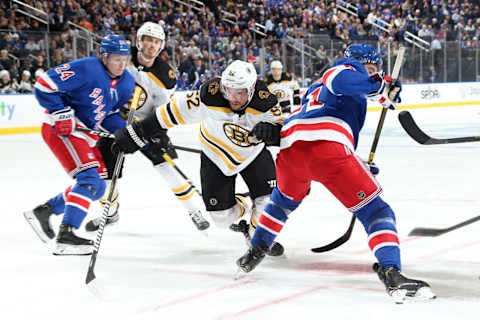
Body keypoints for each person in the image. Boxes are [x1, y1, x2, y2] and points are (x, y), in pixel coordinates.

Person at [235, 44, 436, 303]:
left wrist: (383, 90)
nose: (368, 74)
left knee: (282, 202)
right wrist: (379, 86)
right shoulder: (343, 69)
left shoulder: (322, 90)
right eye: (367, 68)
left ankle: (255, 251)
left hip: (292, 151)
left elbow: (360, 90)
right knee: (376, 212)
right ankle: (392, 273)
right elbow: (342, 79)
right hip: (326, 149)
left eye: (373, 71)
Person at [111, 60, 285, 256]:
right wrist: (136, 133)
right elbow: (170, 112)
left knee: (267, 201)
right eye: (228, 91)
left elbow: (284, 129)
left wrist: (273, 131)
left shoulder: (265, 101)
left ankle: (254, 232)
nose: (233, 98)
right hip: (216, 153)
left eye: (240, 92)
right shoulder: (210, 95)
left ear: (252, 88)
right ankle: (244, 204)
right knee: (221, 219)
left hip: (252, 154)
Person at [84, 21, 209, 232]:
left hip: (145, 126)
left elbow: (162, 111)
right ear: (138, 41)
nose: (151, 45)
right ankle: (110, 212)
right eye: (148, 40)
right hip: (116, 122)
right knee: (105, 173)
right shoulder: (122, 56)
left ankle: (193, 210)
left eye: (156, 42)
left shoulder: (165, 76)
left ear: (161, 47)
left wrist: (157, 134)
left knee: (169, 168)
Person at [23, 34, 135, 255]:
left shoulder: (127, 82)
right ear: (104, 57)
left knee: (99, 186)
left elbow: (109, 115)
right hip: (63, 130)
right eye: (116, 59)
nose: (121, 64)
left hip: (85, 135)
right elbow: (45, 83)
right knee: (90, 179)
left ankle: (44, 212)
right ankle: (66, 235)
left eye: (125, 59)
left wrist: (125, 133)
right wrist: (59, 111)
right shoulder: (87, 68)